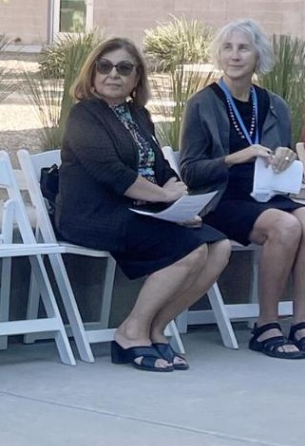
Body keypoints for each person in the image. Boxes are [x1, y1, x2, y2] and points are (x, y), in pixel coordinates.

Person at [58, 38, 231, 371]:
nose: (113, 74)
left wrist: (177, 199)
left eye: (124, 68)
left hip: (143, 211)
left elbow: (161, 168)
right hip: (94, 214)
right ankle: (130, 332)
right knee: (190, 250)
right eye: (104, 66)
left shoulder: (138, 115)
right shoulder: (84, 116)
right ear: (92, 73)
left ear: (136, 78)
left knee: (219, 246)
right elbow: (112, 174)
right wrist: (164, 197)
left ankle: (155, 329)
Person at [181, 19, 305, 359]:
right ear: (219, 55)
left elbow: (281, 156)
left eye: (243, 48)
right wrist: (235, 157)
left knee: (302, 219)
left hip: (269, 196)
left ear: (257, 56)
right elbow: (189, 171)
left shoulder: (275, 104)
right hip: (223, 200)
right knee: (286, 225)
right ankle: (266, 326)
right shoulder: (202, 103)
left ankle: (301, 323)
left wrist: (285, 154)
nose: (234, 55)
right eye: (228, 47)